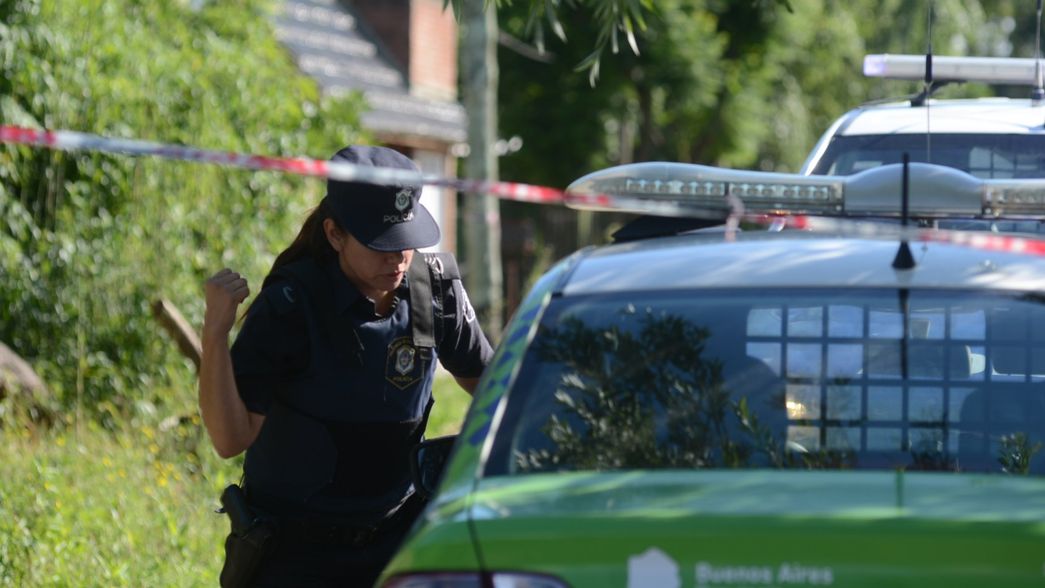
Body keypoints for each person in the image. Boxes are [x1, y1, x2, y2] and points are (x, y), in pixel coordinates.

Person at [198, 145, 493, 587]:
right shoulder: (293, 305)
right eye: (380, 245)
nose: (397, 259)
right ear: (335, 234)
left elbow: (498, 392)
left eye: (406, 242)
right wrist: (215, 336)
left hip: (396, 543)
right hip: (297, 554)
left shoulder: (432, 292)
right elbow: (229, 439)